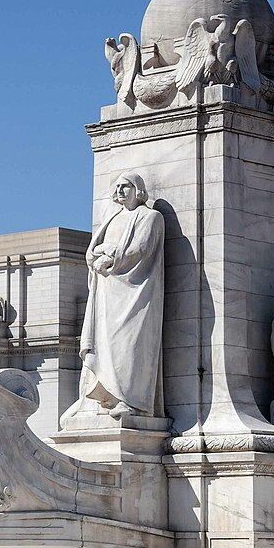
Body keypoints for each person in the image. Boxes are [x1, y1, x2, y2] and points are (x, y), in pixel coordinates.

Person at [71, 172, 165, 420]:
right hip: (106, 294)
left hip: (135, 292)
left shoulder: (150, 217)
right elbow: (92, 251)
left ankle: (132, 400)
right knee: (106, 346)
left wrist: (110, 257)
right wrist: (100, 256)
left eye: (127, 186)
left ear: (138, 189)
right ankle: (108, 397)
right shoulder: (111, 218)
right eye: (119, 187)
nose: (121, 190)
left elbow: (140, 250)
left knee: (130, 345)